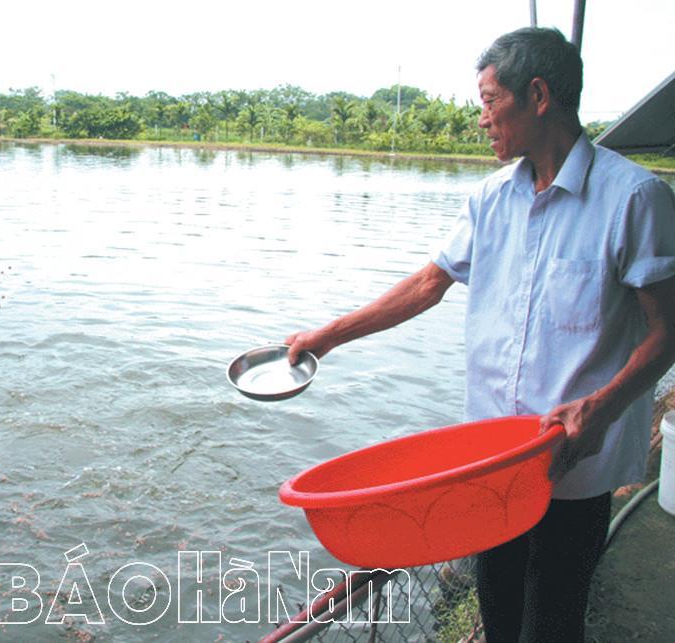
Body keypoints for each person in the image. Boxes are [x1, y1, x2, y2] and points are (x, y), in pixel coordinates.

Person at [286, 27, 675, 643]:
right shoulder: (491, 199)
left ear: (539, 95)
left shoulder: (635, 198)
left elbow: (668, 332)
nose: (481, 119)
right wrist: (329, 335)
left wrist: (601, 409)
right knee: (498, 612)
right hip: (490, 467)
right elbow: (428, 284)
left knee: (555, 620)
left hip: (572, 463)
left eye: (490, 101)